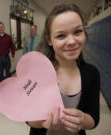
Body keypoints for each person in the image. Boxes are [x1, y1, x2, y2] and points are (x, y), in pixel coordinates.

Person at [27, 4, 100, 135]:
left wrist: (83, 120)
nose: (71, 41)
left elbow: (94, 118)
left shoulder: (92, 73)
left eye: (78, 31)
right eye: (61, 35)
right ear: (49, 40)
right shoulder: (38, 72)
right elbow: (28, 118)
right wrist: (40, 121)